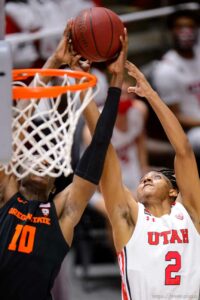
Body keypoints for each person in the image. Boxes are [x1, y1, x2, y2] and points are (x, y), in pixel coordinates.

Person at [0, 23, 127, 300]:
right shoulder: (5, 198)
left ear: (55, 183)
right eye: (35, 156)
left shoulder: (63, 212)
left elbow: (99, 148)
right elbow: (14, 131)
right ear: (20, 172)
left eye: (47, 160)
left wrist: (110, 85)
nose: (41, 160)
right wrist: (53, 63)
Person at [83, 60, 200, 299]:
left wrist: (151, 95)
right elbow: (104, 152)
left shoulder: (190, 214)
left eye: (155, 177)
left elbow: (184, 151)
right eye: (143, 179)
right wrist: (86, 88)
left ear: (173, 192)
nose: (145, 179)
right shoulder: (129, 218)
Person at [152, 8, 200, 168]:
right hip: (192, 131)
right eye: (180, 27)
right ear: (172, 31)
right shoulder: (166, 69)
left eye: (190, 26)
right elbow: (175, 116)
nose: (186, 31)